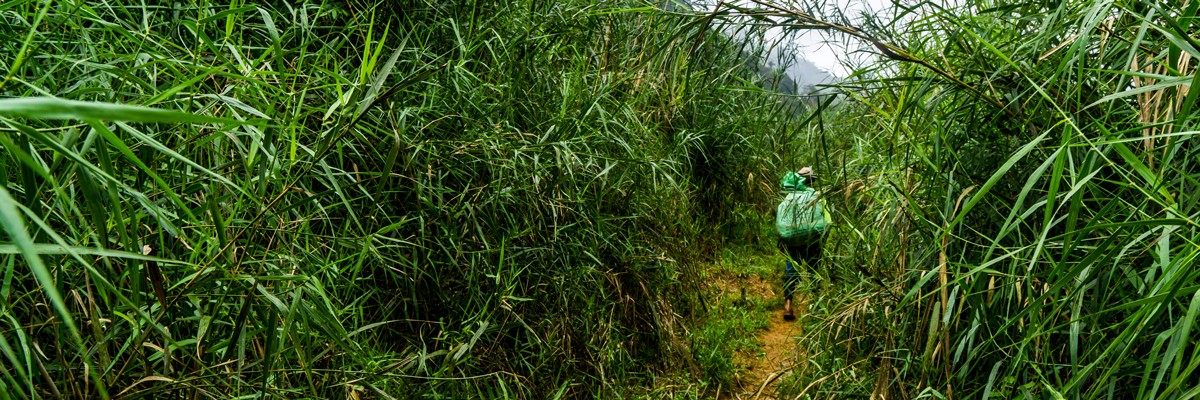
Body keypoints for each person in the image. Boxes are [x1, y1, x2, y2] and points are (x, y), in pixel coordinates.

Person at [775, 167, 828, 321]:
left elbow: (781, 221)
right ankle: (816, 307)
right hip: (812, 241)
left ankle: (788, 306)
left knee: (791, 271)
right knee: (814, 271)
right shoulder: (817, 197)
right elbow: (826, 222)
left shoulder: (789, 198)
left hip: (792, 243)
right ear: (812, 181)